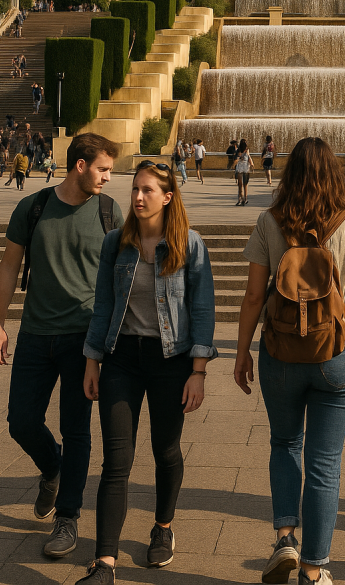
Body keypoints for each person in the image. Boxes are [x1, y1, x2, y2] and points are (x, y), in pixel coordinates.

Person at [234, 137, 345, 585]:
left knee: (285, 444)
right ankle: (315, 568)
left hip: (280, 353)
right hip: (337, 353)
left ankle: (285, 537)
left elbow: (251, 297)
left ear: (290, 174)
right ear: (335, 174)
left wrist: (242, 350)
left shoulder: (269, 221)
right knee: (325, 461)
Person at [76, 161, 217, 584]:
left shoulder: (190, 245)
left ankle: (163, 527)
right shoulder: (116, 244)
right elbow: (102, 305)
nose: (137, 198)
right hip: (122, 359)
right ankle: (105, 563)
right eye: (135, 189)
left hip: (170, 362)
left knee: (165, 450)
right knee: (116, 461)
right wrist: (92, 360)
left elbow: (203, 310)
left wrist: (199, 372)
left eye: (148, 191)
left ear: (168, 196)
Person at [0, 134, 122, 559]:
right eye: (102, 169)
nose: (107, 177)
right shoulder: (34, 207)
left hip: (83, 341)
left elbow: (122, 275)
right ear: (80, 165)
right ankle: (53, 468)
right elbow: (9, 266)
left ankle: (68, 517)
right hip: (34, 334)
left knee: (76, 429)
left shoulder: (108, 211)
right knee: (21, 422)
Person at [235, 139, 254, 206]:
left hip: (240, 167)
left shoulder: (239, 150)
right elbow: (249, 157)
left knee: (240, 185)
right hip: (246, 167)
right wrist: (252, 165)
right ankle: (244, 198)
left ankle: (240, 199)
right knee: (245, 184)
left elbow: (236, 159)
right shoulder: (246, 150)